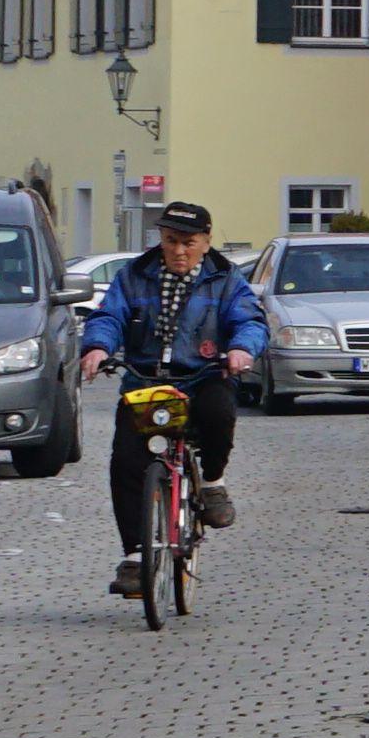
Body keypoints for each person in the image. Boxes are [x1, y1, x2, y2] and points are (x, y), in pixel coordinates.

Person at [79, 202, 264, 596]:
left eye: (188, 243)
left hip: (203, 375)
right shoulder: (134, 275)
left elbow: (248, 320)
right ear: (161, 240)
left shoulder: (225, 279)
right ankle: (135, 555)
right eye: (171, 241)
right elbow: (109, 316)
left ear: (206, 242)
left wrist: (240, 349)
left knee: (219, 413)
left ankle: (212, 482)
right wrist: (97, 347)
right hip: (146, 380)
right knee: (126, 460)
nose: (179, 251)